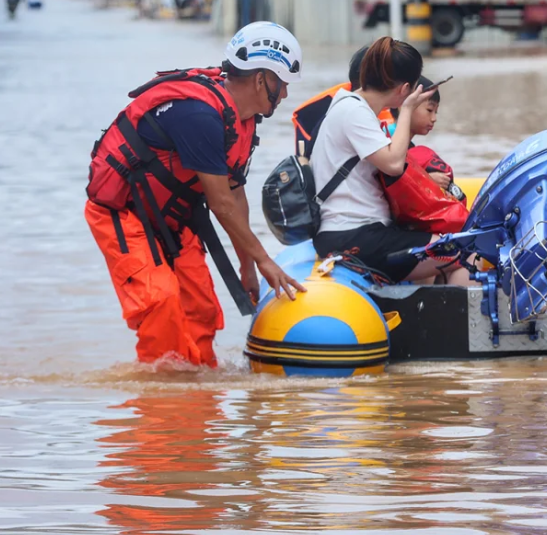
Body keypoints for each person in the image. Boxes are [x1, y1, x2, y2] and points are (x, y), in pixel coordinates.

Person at [85, 22, 307, 367]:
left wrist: (247, 266)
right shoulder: (200, 115)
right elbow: (219, 203)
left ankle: (200, 404)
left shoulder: (242, 119)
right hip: (124, 213)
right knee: (161, 303)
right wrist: (265, 260)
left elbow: (235, 195)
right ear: (262, 79)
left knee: (200, 308)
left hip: (173, 216)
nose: (285, 95)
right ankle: (160, 406)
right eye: (282, 85)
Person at [310, 37, 472, 285]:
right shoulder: (353, 111)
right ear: (405, 89)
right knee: (462, 254)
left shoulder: (352, 107)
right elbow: (394, 164)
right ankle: (463, 324)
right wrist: (407, 110)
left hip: (361, 232)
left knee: (436, 253)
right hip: (353, 235)